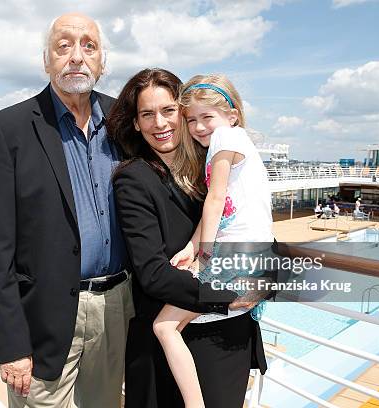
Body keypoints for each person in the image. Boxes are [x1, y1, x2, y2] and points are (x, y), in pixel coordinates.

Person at [0, 13, 133, 408]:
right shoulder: (8, 129)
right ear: (46, 60)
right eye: (63, 46)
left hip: (117, 305)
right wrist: (11, 344)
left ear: (102, 62)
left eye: (89, 46)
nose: (77, 57)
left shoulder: (124, 122)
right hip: (44, 316)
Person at [110, 69, 267, 408]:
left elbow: (244, 215)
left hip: (228, 337)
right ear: (136, 123)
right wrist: (222, 296)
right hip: (181, 338)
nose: (159, 123)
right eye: (147, 114)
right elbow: (152, 272)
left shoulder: (208, 164)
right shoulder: (134, 179)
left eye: (169, 111)